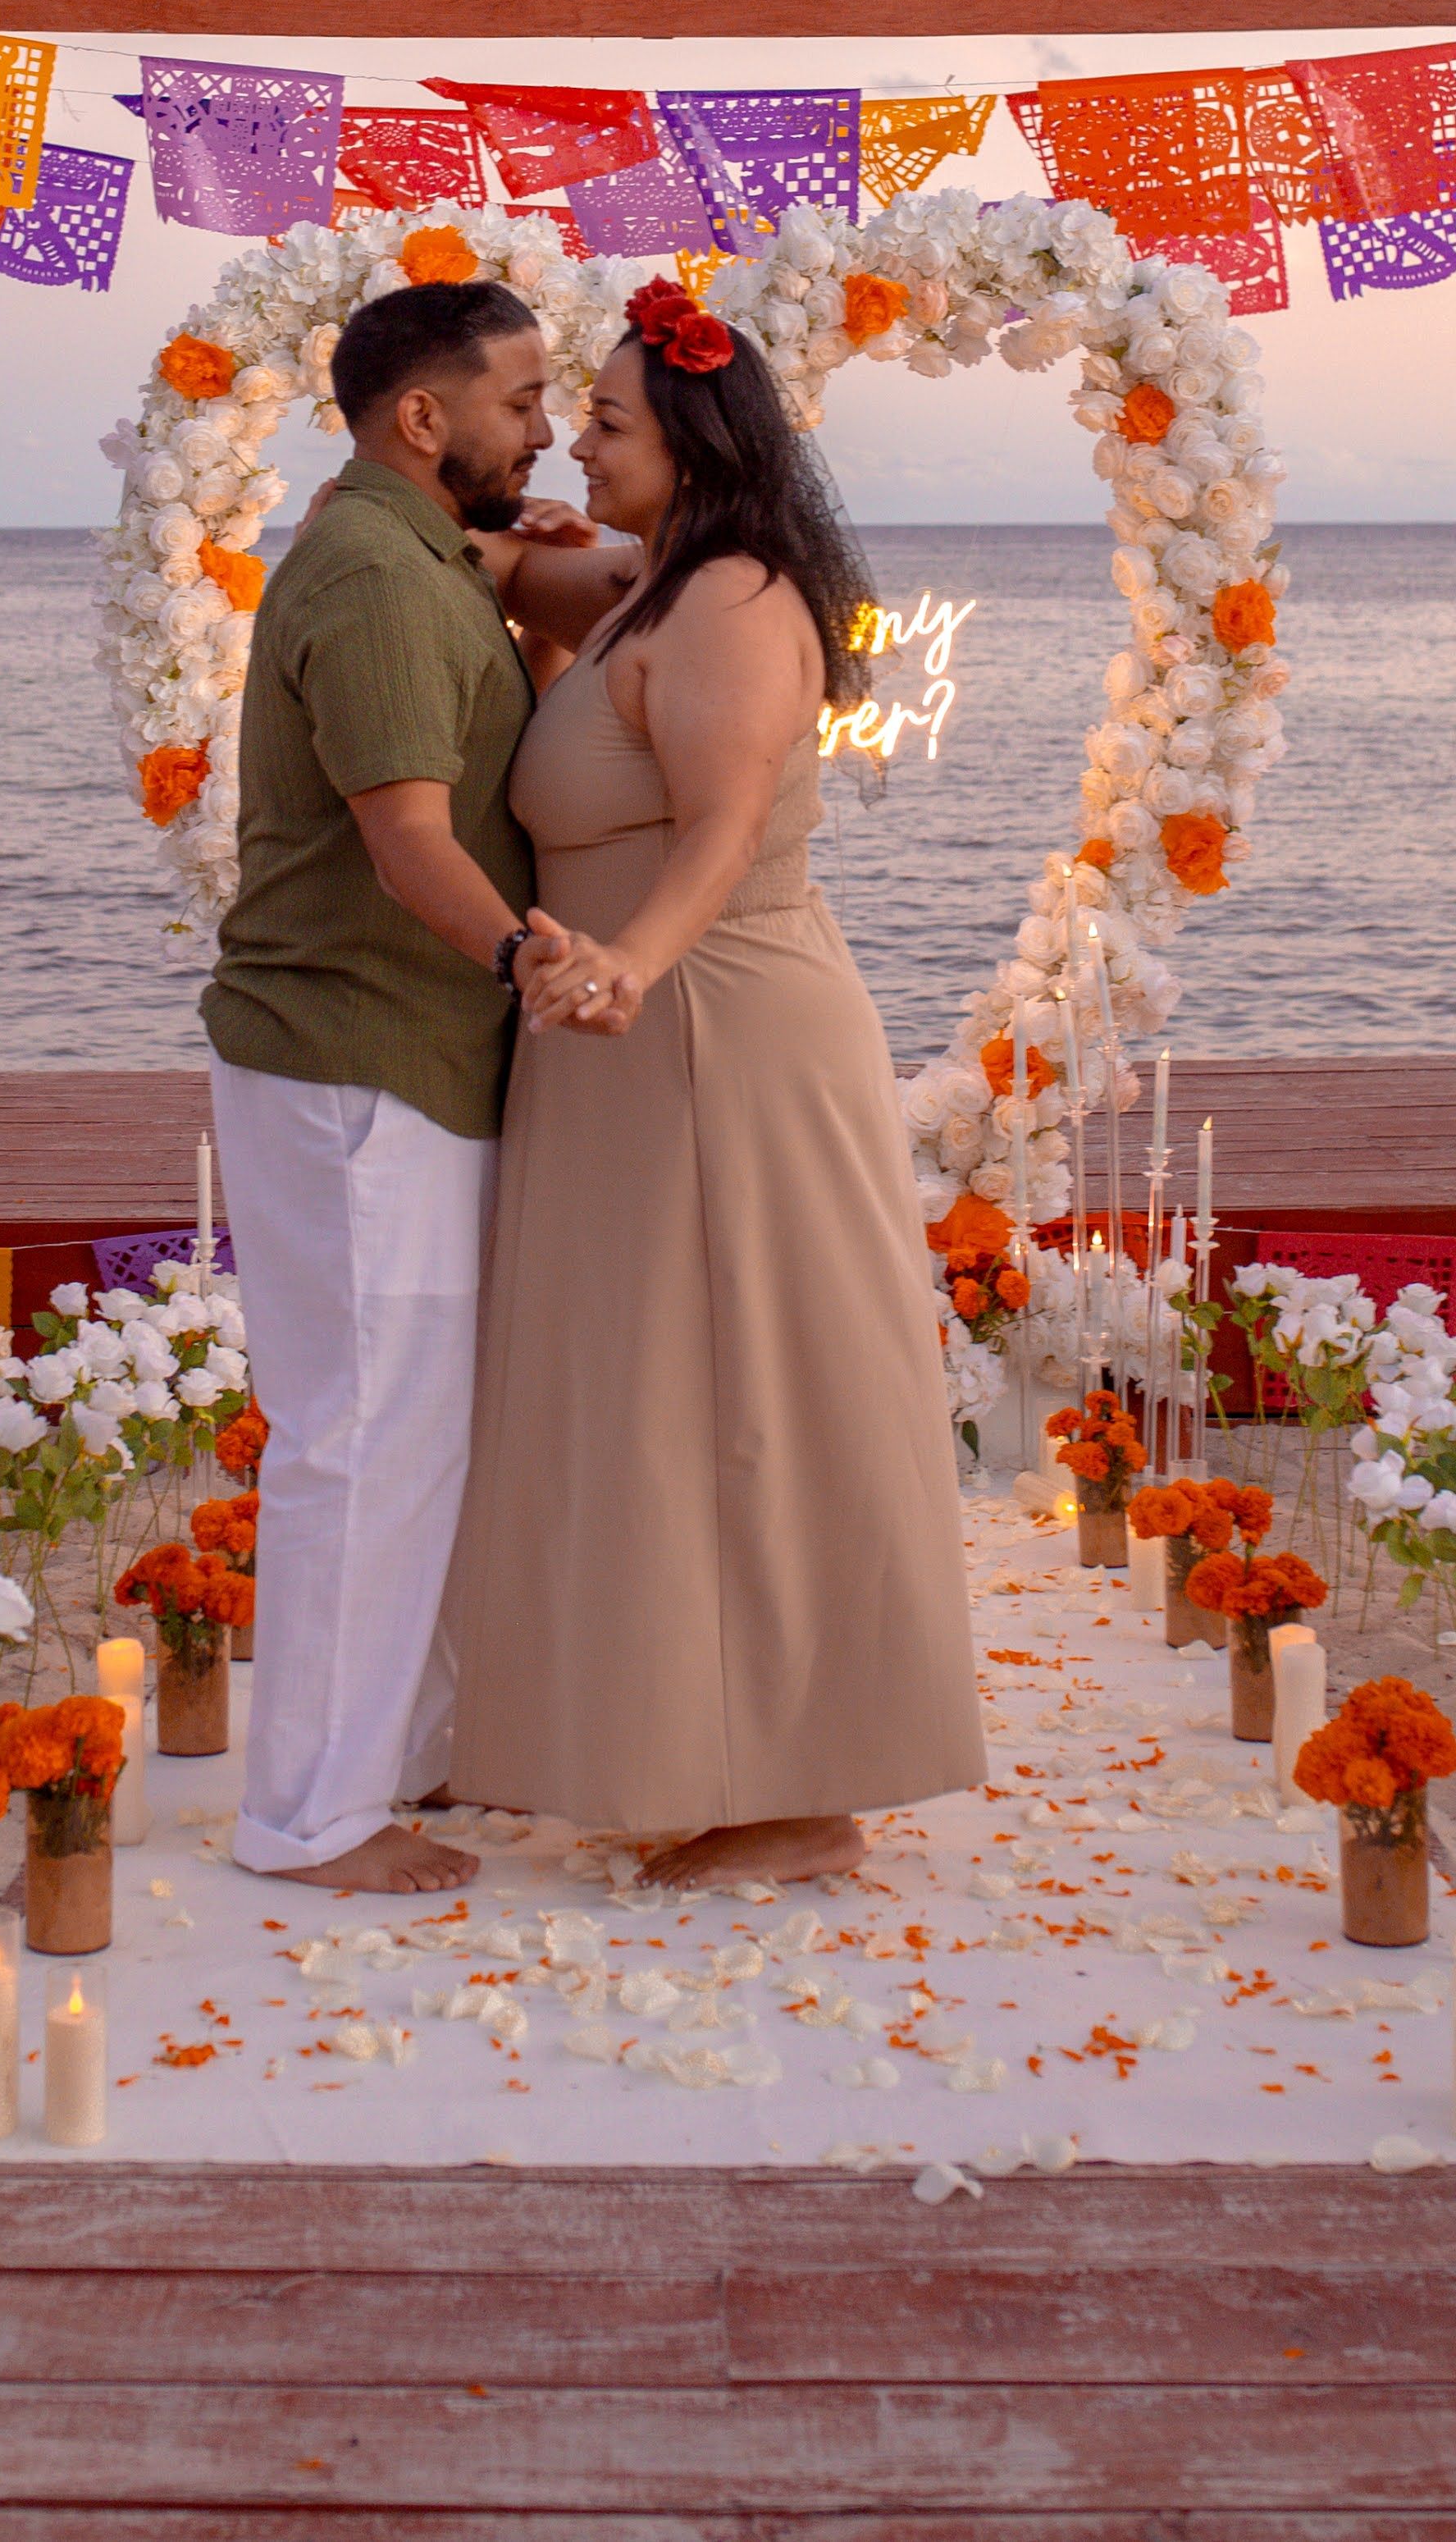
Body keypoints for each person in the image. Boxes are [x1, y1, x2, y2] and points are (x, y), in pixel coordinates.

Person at [445, 276, 984, 1886]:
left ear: (691, 441)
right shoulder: (642, 583)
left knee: (756, 1390)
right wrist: (485, 541)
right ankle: (695, 1746)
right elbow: (514, 564)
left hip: (711, 1027)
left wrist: (627, 964)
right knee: (665, 1400)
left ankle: (806, 1794)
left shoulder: (739, 597)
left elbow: (722, 824)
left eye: (607, 421)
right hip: (630, 1050)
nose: (581, 440)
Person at [201, 277, 623, 1895]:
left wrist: (540, 549)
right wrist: (535, 957)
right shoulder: (376, 573)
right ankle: (307, 1816)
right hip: (351, 1062)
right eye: (521, 398)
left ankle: (407, 1757)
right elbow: (404, 841)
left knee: (415, 1434)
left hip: (408, 1067)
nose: (542, 425)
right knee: (359, 1439)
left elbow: (571, 572)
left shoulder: (429, 551)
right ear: (422, 417)